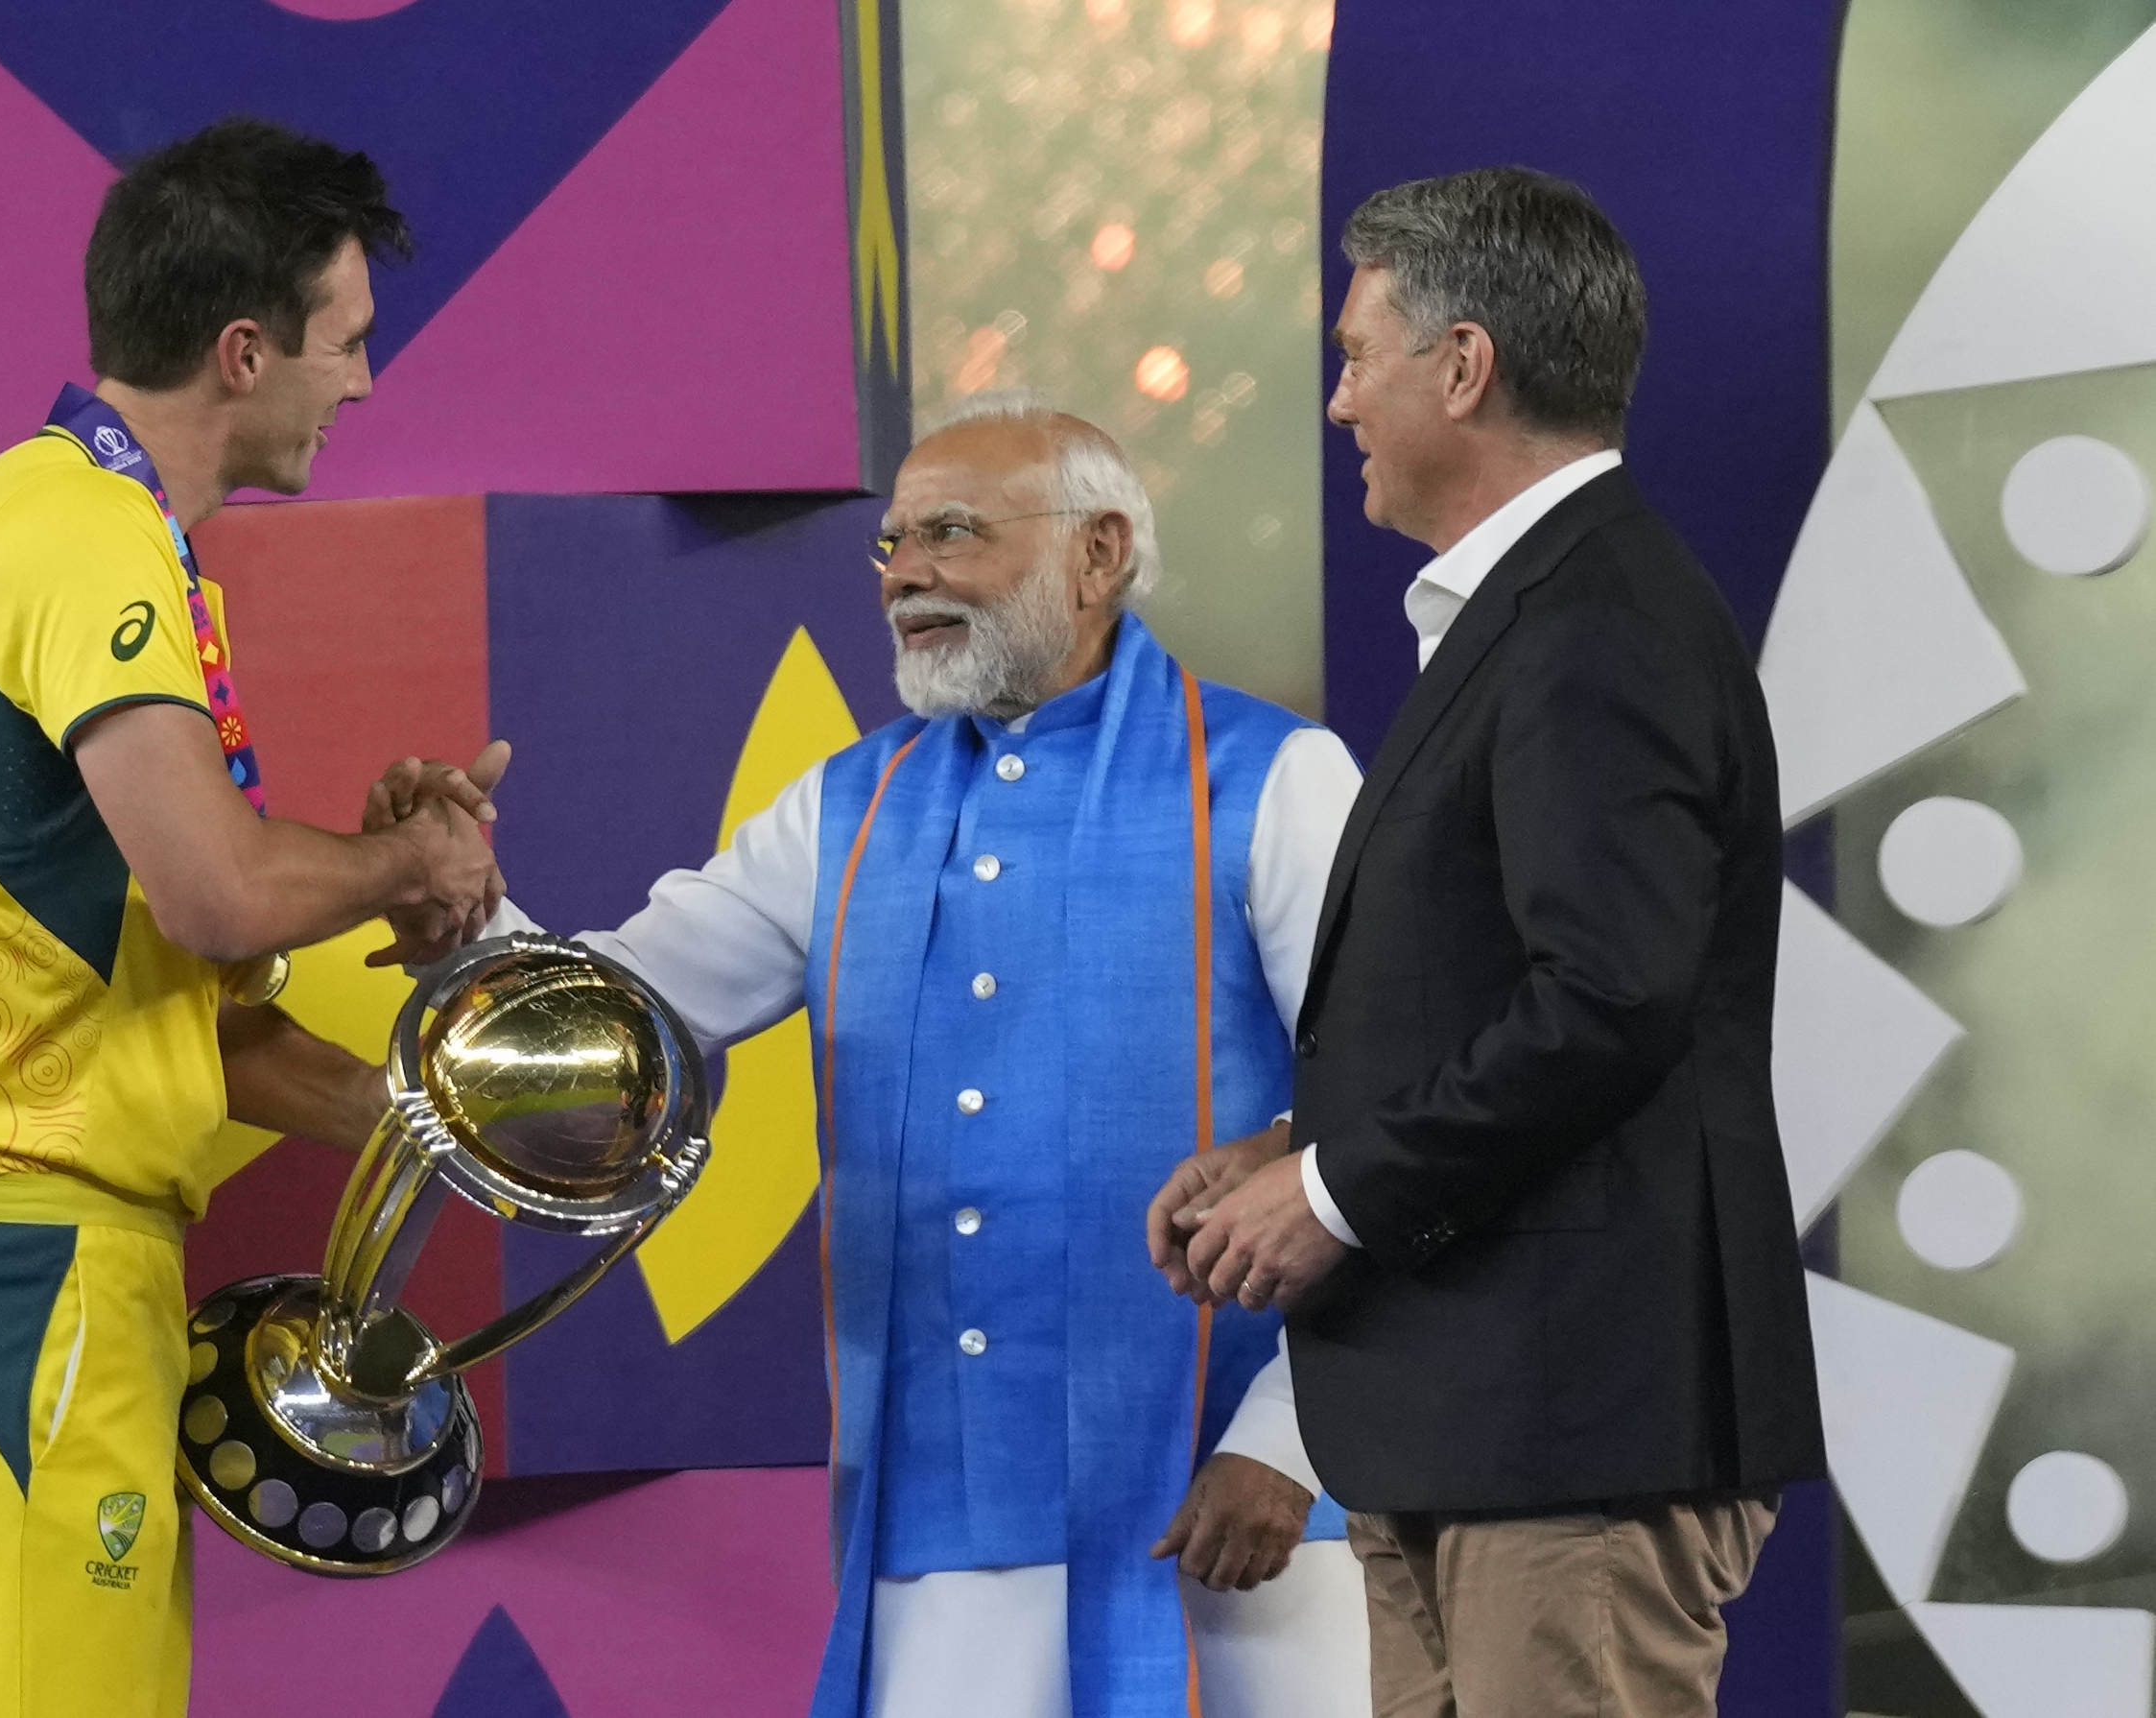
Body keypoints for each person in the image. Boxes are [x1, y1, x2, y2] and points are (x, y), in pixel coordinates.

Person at [379, 391, 1370, 1718]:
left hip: (1235, 1515)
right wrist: (464, 922)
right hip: (941, 1533)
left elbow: (1389, 1114)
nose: (903, 574)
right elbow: (624, 1011)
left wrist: (1286, 1444)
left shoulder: (1277, 777)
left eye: (952, 534)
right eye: (892, 543)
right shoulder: (848, 802)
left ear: (1099, 553)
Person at [0, 119, 507, 1718]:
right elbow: (225, 891)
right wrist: (410, 868)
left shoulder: (52, 516)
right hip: (10, 1265)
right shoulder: (87, 537)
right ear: (244, 350)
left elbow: (174, 997)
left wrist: (440, 1130)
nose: (364, 384)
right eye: (348, 345)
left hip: (9, 1249)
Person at [1149, 168, 1826, 1718]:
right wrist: (1287, 1146)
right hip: (1479, 1420)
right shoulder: (1541, 606)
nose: (1336, 403)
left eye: (1354, 354)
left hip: (1569, 1424)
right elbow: (1512, 997)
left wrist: (1333, 1190)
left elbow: (1609, 996)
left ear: (1462, 367)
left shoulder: (1596, 620)